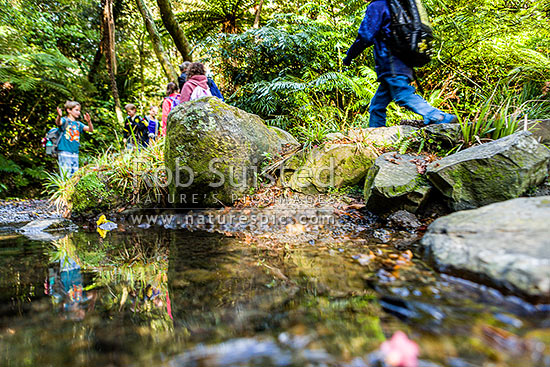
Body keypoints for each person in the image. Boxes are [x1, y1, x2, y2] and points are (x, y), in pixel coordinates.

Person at [342, 0, 457, 127]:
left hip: (391, 63)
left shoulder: (378, 5)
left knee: (403, 95)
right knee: (377, 105)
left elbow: (365, 36)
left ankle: (438, 116)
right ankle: (375, 132)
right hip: (403, 62)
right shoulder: (400, 5)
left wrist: (349, 56)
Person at [55, 101, 93, 178]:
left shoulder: (78, 124)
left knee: (74, 176)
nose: (79, 113)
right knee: (66, 175)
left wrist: (89, 122)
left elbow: (90, 130)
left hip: (75, 152)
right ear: (69, 110)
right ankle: (65, 190)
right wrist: (59, 116)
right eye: (76, 110)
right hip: (64, 151)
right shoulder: (64, 120)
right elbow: (58, 123)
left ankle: (71, 189)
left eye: (79, 110)